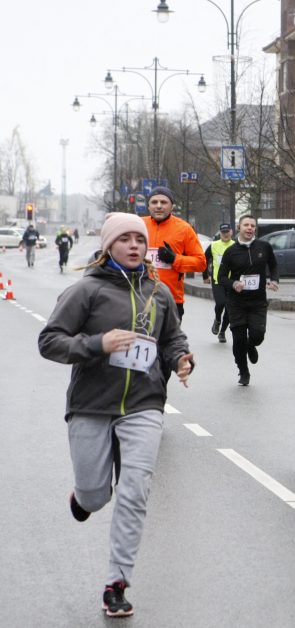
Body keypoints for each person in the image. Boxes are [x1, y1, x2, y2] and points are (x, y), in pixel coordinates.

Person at [37, 212, 193, 618]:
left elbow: (172, 336)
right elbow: (50, 341)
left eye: (139, 240)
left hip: (144, 402)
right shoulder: (85, 291)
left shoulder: (157, 292)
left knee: (135, 491)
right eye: (124, 239)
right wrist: (96, 344)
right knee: (96, 493)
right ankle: (85, 497)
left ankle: (116, 582)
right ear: (109, 245)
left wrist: (180, 359)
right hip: (92, 402)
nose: (134, 246)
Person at [217, 215, 279, 386]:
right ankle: (243, 371)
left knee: (258, 335)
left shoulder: (264, 247)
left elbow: (273, 265)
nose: (250, 228)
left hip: (258, 301)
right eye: (246, 225)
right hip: (236, 302)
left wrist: (274, 279)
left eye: (252, 225)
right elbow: (221, 277)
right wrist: (234, 283)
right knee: (238, 340)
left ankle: (252, 345)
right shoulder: (231, 251)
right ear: (239, 227)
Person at [141, 186, 207, 320]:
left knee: (168, 341)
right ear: (148, 206)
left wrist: (175, 259)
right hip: (140, 296)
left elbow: (201, 263)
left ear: (172, 206)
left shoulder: (184, 229)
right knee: (143, 340)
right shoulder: (138, 225)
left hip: (171, 299)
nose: (158, 206)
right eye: (154, 202)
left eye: (163, 202)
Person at [202, 223, 235, 343]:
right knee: (221, 303)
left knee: (229, 309)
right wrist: (205, 275)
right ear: (220, 233)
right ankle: (217, 320)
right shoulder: (213, 245)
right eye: (223, 232)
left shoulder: (236, 245)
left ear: (231, 232)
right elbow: (204, 259)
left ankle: (222, 332)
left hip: (232, 282)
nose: (225, 234)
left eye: (227, 232)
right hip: (218, 280)